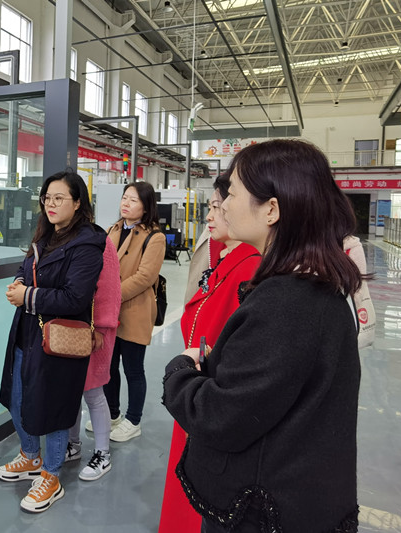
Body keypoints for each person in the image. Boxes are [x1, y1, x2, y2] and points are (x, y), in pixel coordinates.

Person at [162, 139, 362, 533]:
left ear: (271, 209)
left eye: (233, 193)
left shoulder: (288, 302)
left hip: (259, 512)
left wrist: (181, 370)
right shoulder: (309, 286)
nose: (224, 205)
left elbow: (221, 416)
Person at [0, 170, 105, 513]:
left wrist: (27, 296)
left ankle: (51, 475)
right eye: (47, 198)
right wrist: (19, 282)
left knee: (54, 407)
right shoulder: (46, 235)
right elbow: (27, 267)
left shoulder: (87, 244)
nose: (51, 204)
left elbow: (75, 297)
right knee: (17, 398)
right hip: (27, 333)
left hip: (59, 338)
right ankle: (30, 455)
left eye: (60, 198)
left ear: (78, 202)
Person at [159, 169, 260, 532]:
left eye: (222, 204)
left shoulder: (249, 268)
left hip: (209, 393)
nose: (213, 215)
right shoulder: (223, 261)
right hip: (197, 387)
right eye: (213, 206)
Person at [101, 182, 166, 442]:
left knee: (133, 368)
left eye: (133, 200)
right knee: (108, 366)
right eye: (124, 198)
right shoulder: (113, 229)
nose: (125, 204)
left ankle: (133, 420)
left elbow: (145, 277)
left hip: (135, 310)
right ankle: (112, 414)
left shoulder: (155, 237)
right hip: (109, 312)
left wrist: (113, 294)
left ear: (146, 206)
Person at [65, 235, 121, 481]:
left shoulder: (100, 241)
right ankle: (72, 444)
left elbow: (110, 288)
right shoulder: (61, 236)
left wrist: (101, 327)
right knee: (70, 390)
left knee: (94, 393)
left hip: (93, 330)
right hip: (67, 327)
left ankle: (102, 453)